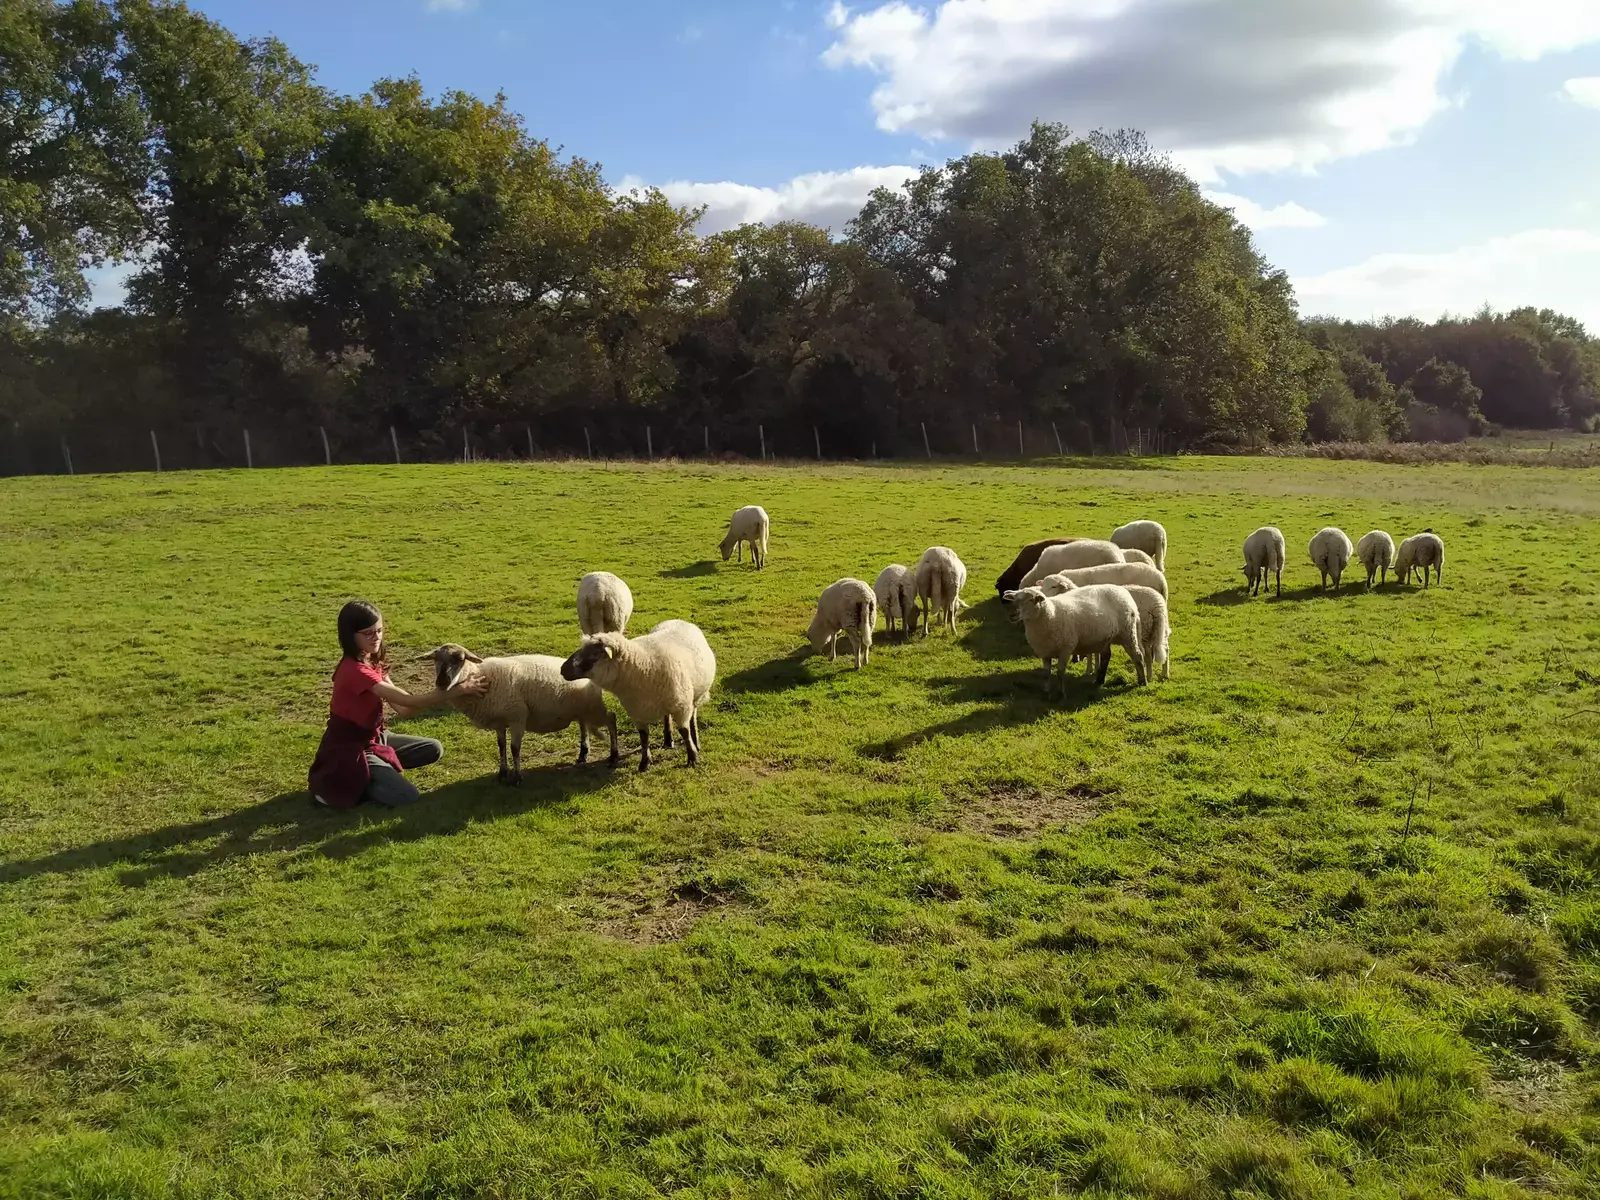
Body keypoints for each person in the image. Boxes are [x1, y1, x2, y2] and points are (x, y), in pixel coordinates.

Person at [307, 600, 486, 808]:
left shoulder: (372, 660)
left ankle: (377, 769)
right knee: (406, 796)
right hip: (349, 748)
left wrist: (447, 687)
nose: (376, 638)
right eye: (368, 633)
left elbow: (404, 709)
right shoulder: (355, 671)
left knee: (433, 748)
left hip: (376, 738)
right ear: (350, 636)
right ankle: (352, 782)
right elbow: (409, 701)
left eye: (379, 631)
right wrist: (458, 690)